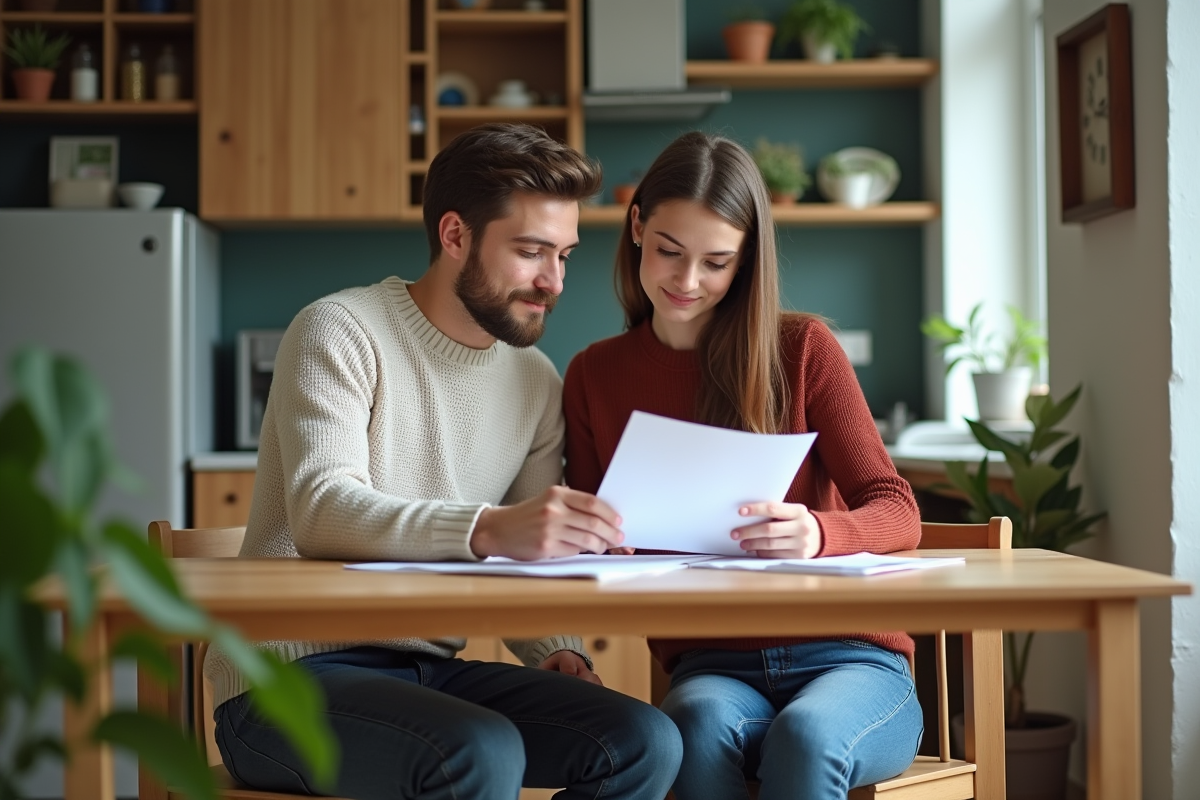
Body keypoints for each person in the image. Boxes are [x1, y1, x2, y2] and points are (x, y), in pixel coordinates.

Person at [204, 123, 683, 800]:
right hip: (283, 679)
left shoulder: (534, 380)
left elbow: (532, 556)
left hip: (430, 673)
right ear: (455, 235)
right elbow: (321, 510)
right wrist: (489, 528)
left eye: (565, 255)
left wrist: (556, 647)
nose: (553, 281)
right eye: (530, 251)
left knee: (644, 740)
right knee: (477, 750)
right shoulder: (339, 330)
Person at [563, 131, 924, 800]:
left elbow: (897, 508)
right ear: (637, 226)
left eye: (716, 262)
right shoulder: (593, 375)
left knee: (807, 737)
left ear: (746, 259)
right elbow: (586, 543)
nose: (687, 281)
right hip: (712, 668)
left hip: (852, 659)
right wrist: (601, 542)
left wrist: (820, 532)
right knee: (693, 727)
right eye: (669, 251)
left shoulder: (803, 349)